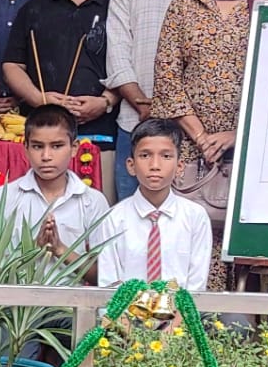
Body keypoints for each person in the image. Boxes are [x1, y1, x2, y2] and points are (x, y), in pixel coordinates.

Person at [152, 0, 268, 280]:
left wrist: (237, 136)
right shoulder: (185, 7)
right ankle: (188, 333)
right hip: (193, 152)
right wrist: (201, 137)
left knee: (248, 261)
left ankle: (242, 334)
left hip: (256, 152)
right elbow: (166, 78)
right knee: (188, 253)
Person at [105, 0, 208, 200]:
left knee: (186, 221)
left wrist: (172, 110)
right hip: (134, 123)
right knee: (130, 223)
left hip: (193, 128)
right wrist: (141, 103)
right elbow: (118, 53)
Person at [2, 0, 118, 145]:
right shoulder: (32, 9)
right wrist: (39, 99)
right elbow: (12, 65)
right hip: (42, 134)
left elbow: (128, 67)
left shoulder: (114, 8)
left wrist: (105, 102)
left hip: (99, 134)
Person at [78, 119, 211, 291]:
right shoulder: (114, 219)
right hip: (125, 315)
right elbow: (109, 283)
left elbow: (197, 285)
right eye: (145, 155)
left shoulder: (195, 217)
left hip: (183, 315)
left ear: (179, 167)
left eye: (166, 156)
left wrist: (181, 317)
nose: (155, 165)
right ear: (131, 166)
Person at [0, 104, 111, 272]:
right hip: (18, 297)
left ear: (74, 149)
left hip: (71, 297)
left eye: (57, 146)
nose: (46, 156)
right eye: (37, 146)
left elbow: (103, 275)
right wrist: (34, 250)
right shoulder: (3, 197)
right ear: (26, 148)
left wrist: (60, 249)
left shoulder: (92, 201)